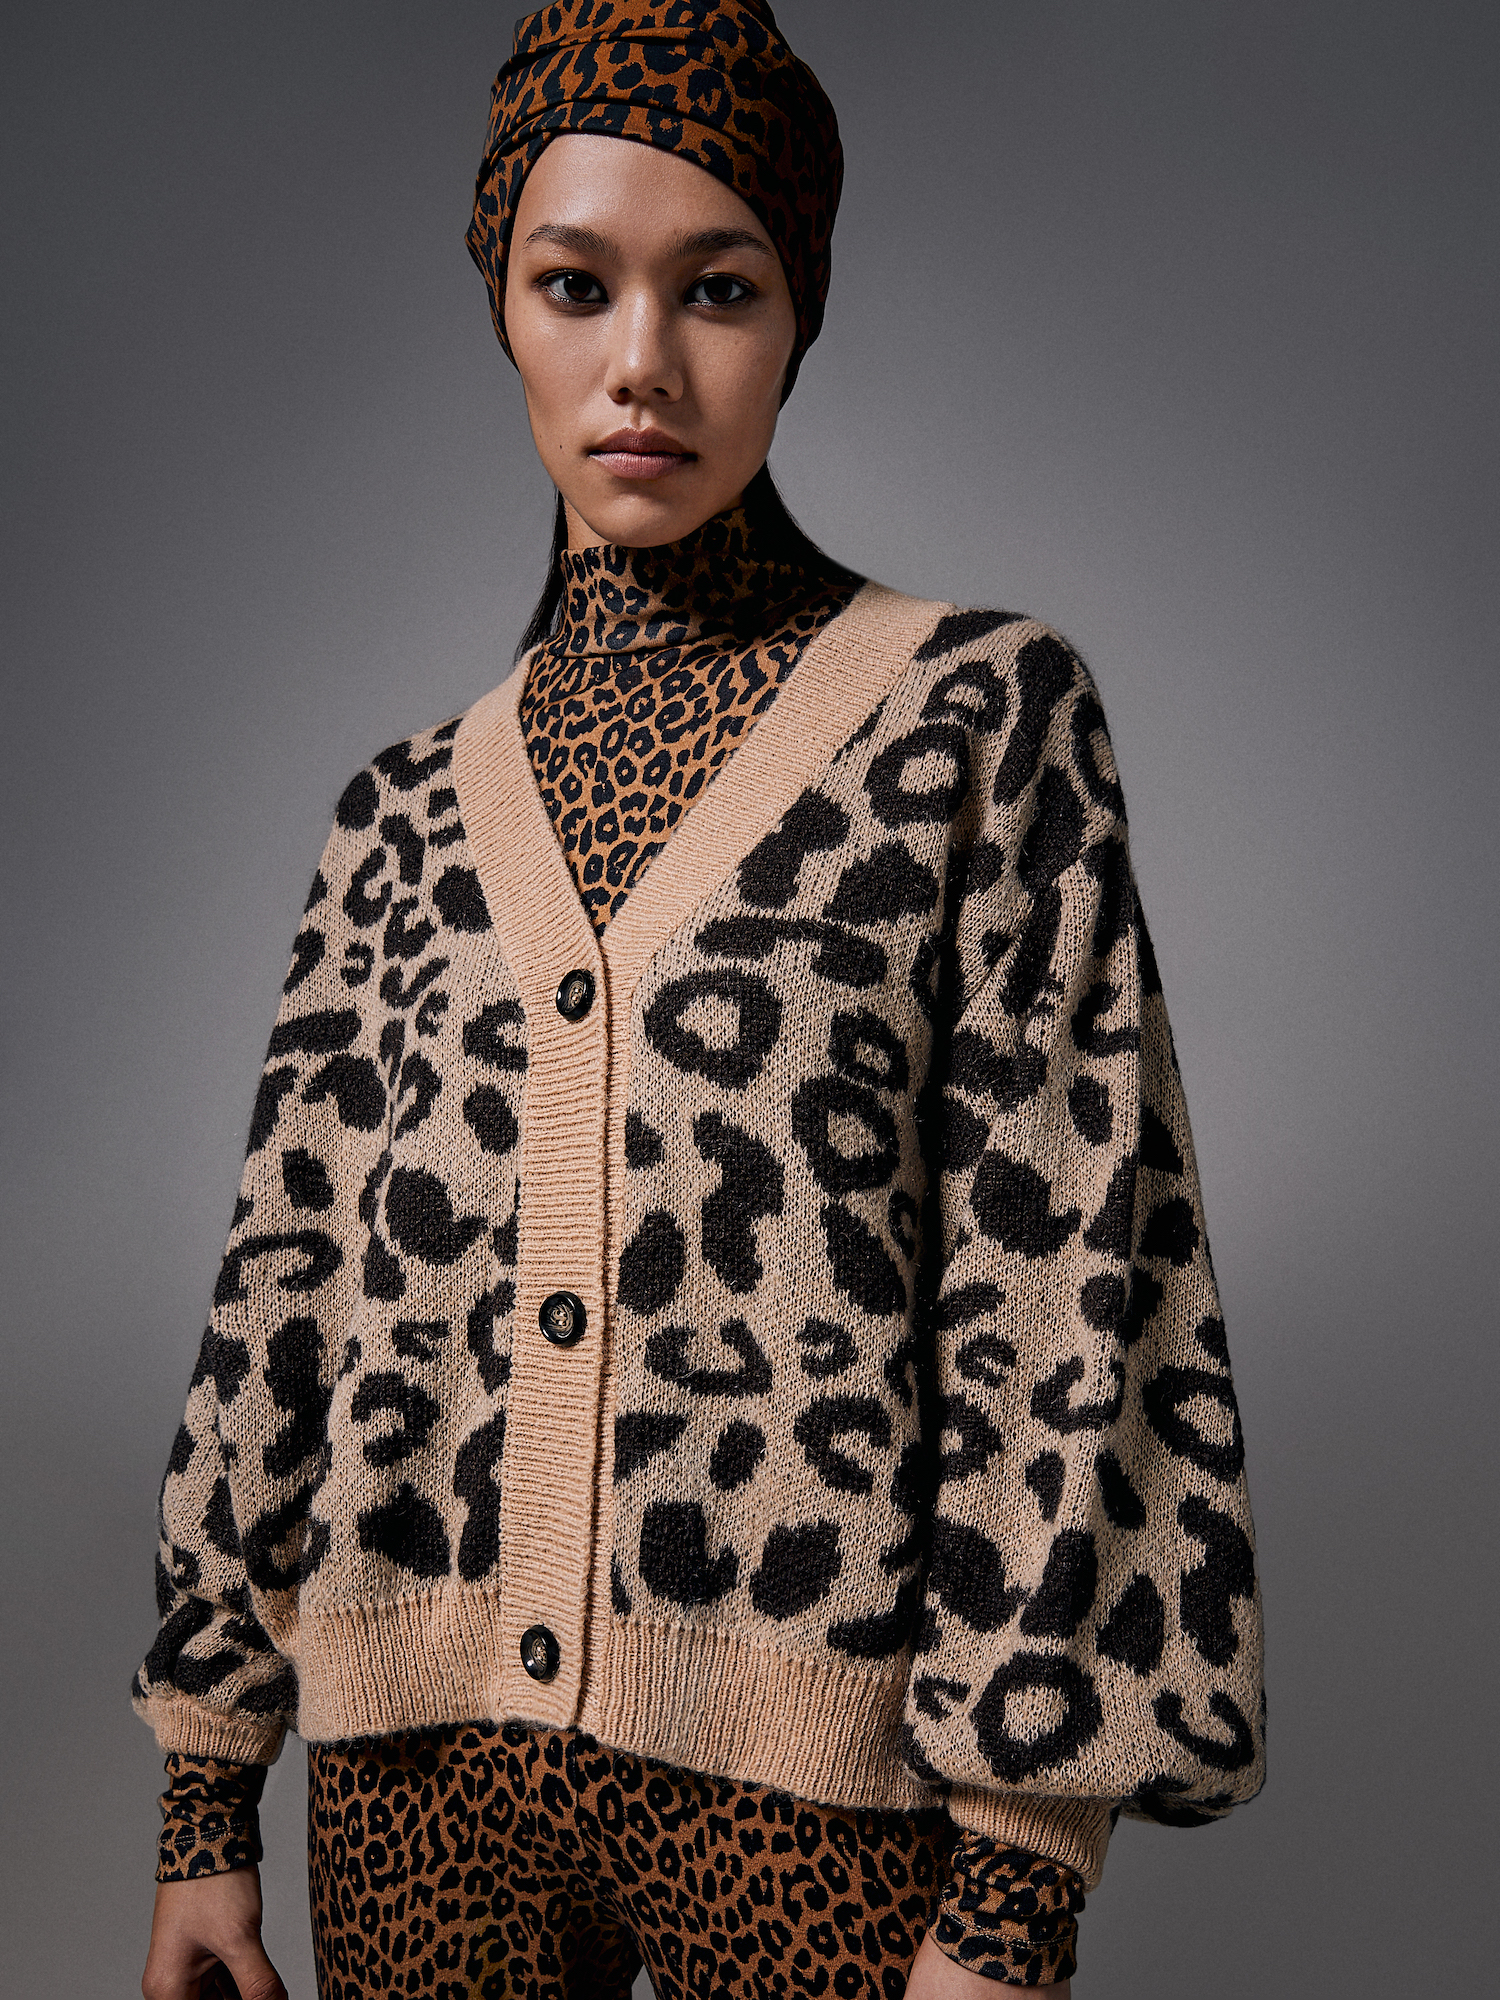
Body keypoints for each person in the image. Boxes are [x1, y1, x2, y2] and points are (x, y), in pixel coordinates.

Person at [137, 5, 1265, 1996]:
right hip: (414, 1791)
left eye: (719, 289)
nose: (642, 361)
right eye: (576, 285)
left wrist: (1017, 1888)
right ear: (505, 308)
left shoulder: (977, 721)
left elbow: (1074, 1293)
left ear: (797, 316)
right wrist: (206, 1793)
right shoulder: (397, 815)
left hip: (813, 1801)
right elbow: (278, 1303)